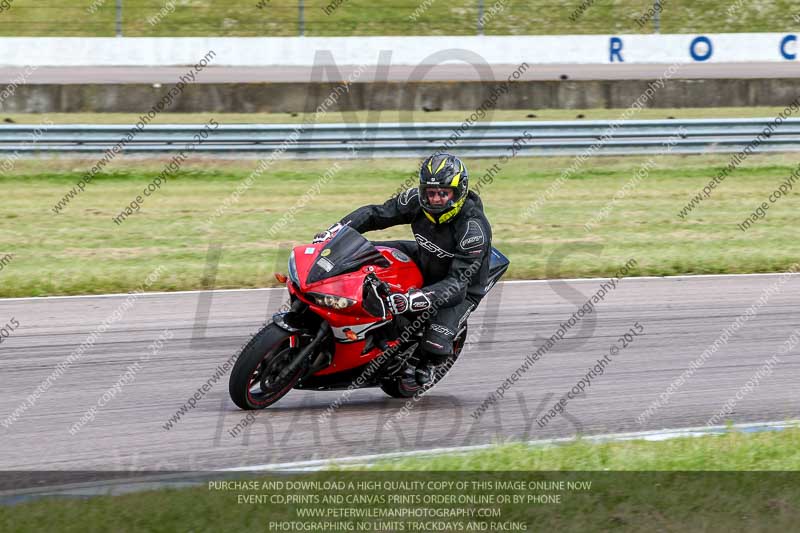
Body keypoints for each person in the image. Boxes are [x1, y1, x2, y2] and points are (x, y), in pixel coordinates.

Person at [312, 153, 493, 385]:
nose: (436, 199)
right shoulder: (416, 201)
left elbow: (457, 285)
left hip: (460, 286)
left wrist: (410, 300)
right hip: (424, 256)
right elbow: (375, 214)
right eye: (431, 193)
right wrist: (334, 231)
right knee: (360, 255)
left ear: (459, 192)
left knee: (435, 346)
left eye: (443, 193)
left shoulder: (472, 230)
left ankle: (428, 365)